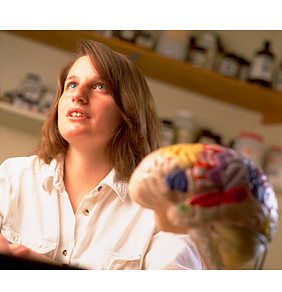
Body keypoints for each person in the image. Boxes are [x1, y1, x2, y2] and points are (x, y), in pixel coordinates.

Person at [0, 39, 201, 270]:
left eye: (100, 86)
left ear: (128, 111)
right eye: (72, 84)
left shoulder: (163, 211)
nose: (78, 95)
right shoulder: (11, 179)